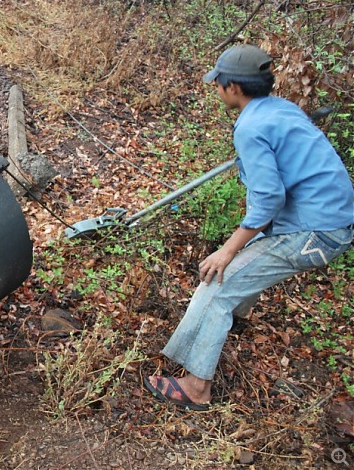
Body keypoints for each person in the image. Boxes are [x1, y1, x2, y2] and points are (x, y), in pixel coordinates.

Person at [144, 44, 354, 411]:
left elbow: (269, 200)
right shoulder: (281, 109)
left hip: (314, 231)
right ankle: (236, 318)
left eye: (219, 82)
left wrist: (226, 250)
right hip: (331, 220)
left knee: (216, 283)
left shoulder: (251, 126)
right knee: (246, 256)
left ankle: (195, 388)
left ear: (234, 88)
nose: (217, 88)